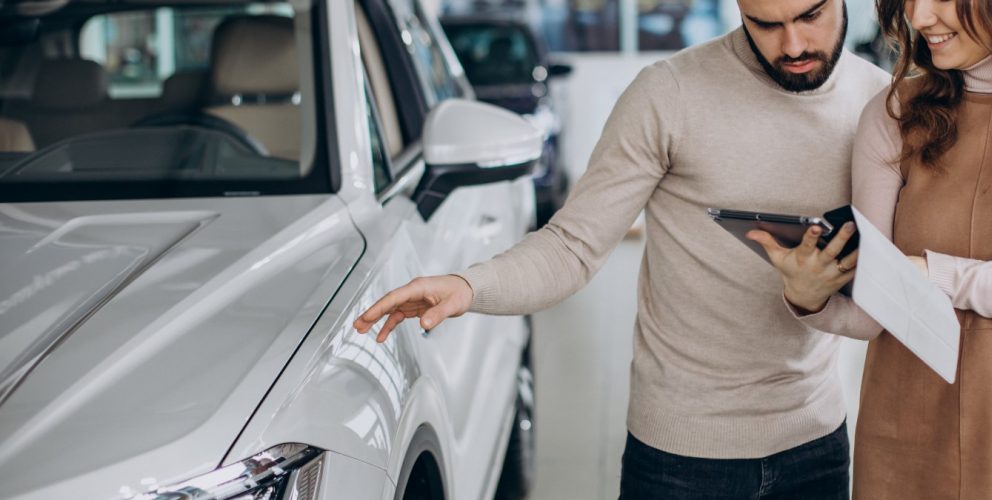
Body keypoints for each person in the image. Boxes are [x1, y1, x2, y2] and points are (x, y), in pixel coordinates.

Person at [353, 0, 888, 496]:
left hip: (816, 443)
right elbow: (573, 246)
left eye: (810, 15)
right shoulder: (669, 94)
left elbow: (895, 283)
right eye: (765, 24)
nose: (792, 44)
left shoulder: (881, 105)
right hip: (683, 457)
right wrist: (470, 285)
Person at [750, 0, 992, 498]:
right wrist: (810, 298)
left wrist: (937, 276)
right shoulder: (893, 112)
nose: (919, 18)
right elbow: (872, 316)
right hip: (903, 447)